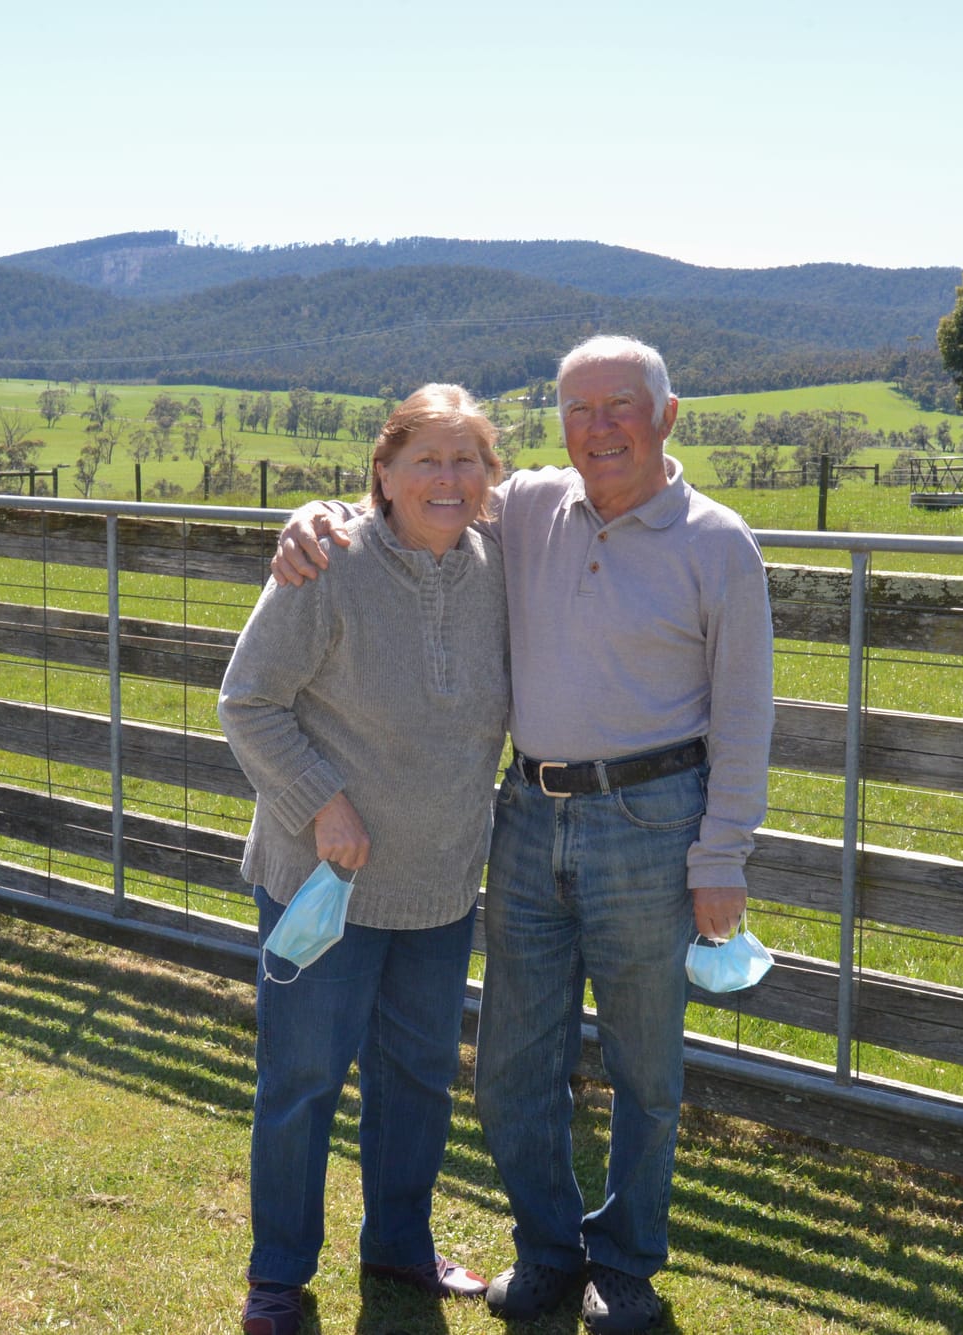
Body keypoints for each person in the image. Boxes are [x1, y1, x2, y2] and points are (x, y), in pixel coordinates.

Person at [274, 336, 774, 1334]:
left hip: (653, 822)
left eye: (620, 406)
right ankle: (547, 1249)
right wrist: (315, 516)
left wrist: (720, 858)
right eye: (577, 409)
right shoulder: (534, 507)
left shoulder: (718, 544)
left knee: (645, 1066)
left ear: (666, 416)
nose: (599, 428)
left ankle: (623, 1265)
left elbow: (746, 713)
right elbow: (426, 486)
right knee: (510, 1064)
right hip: (527, 815)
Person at [219, 384, 510, 1335]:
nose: (447, 477)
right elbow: (248, 700)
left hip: (437, 884)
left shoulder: (503, 564)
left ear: (490, 478)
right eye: (425, 458)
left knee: (419, 1077)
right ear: (381, 474)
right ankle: (277, 1275)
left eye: (466, 459)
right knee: (303, 1077)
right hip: (320, 883)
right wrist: (320, 804)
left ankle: (396, 1242)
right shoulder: (328, 563)